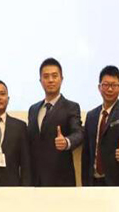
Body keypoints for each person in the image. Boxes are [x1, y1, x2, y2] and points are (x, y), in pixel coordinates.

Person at [27, 58, 84, 186]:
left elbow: (79, 133)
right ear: (40, 81)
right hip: (35, 180)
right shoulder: (33, 109)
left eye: (54, 76)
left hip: (61, 179)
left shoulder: (71, 107)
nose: (50, 80)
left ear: (61, 79)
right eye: (46, 76)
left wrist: (66, 142)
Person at [82, 65, 119, 186]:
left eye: (114, 85)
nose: (110, 89)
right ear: (99, 87)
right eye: (106, 85)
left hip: (117, 181)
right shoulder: (91, 115)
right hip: (93, 181)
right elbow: (86, 152)